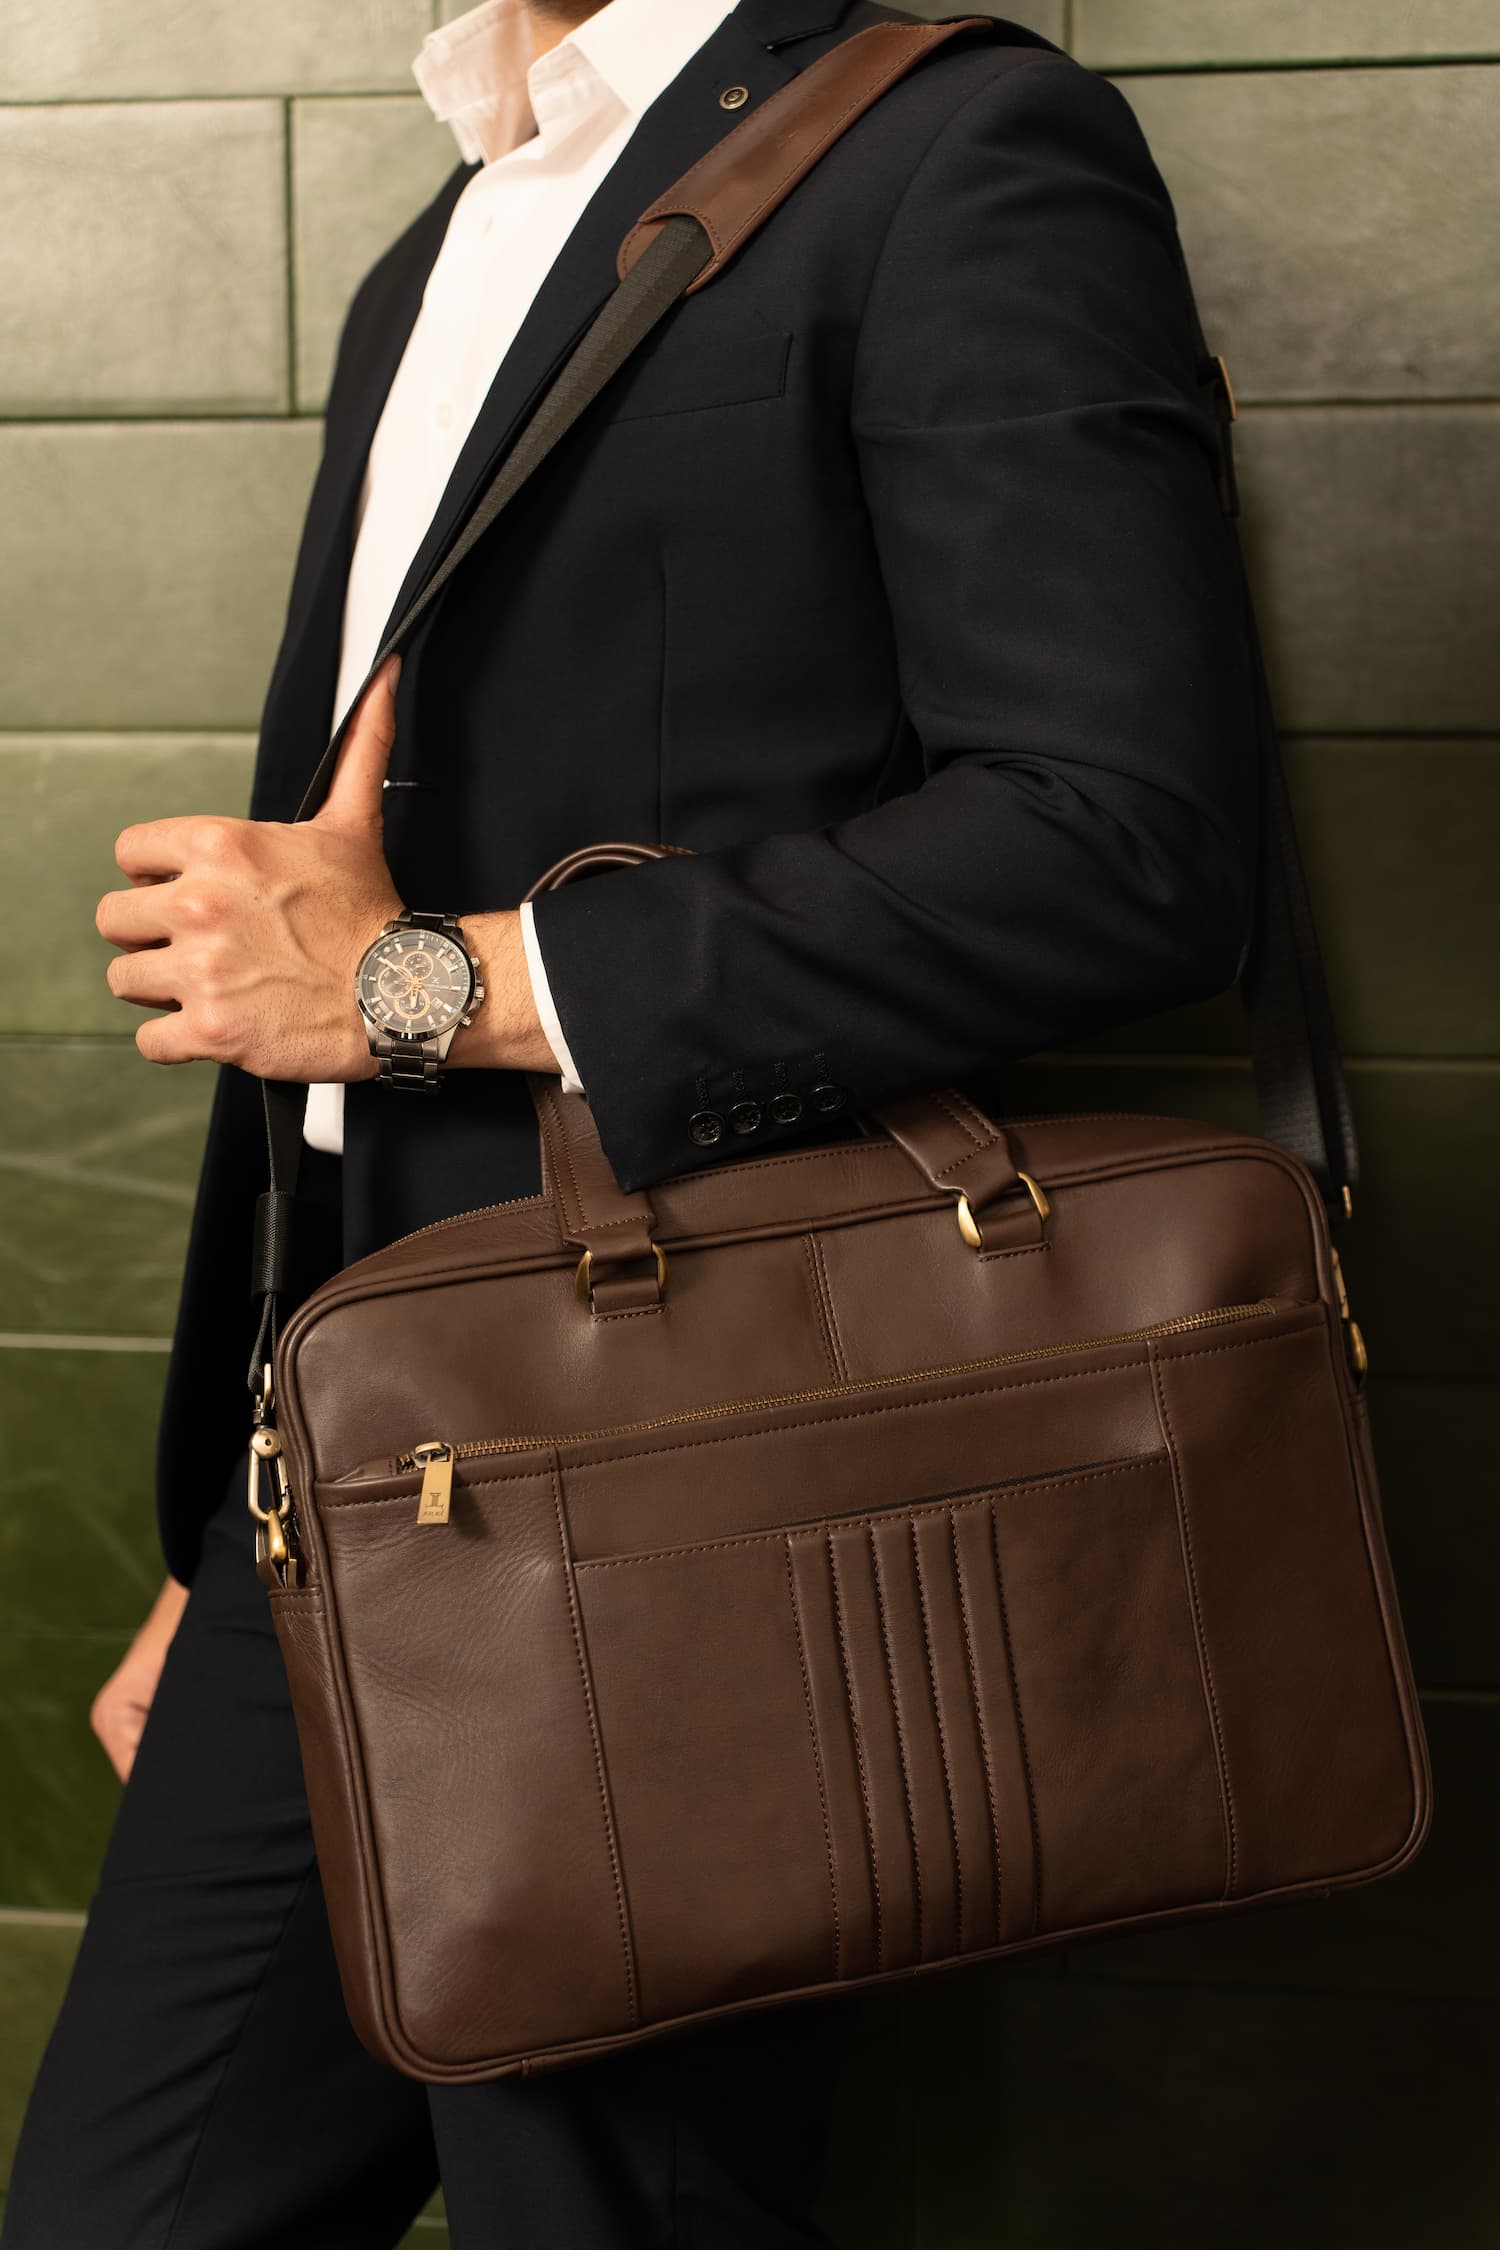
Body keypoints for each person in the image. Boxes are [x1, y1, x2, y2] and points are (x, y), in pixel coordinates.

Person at [3, 0, 1259, 2242]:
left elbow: (1119, 841)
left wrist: (423, 987)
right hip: (344, 1502)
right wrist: (236, 1533)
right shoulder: (445, 234)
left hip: (688, 1474)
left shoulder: (969, 142)